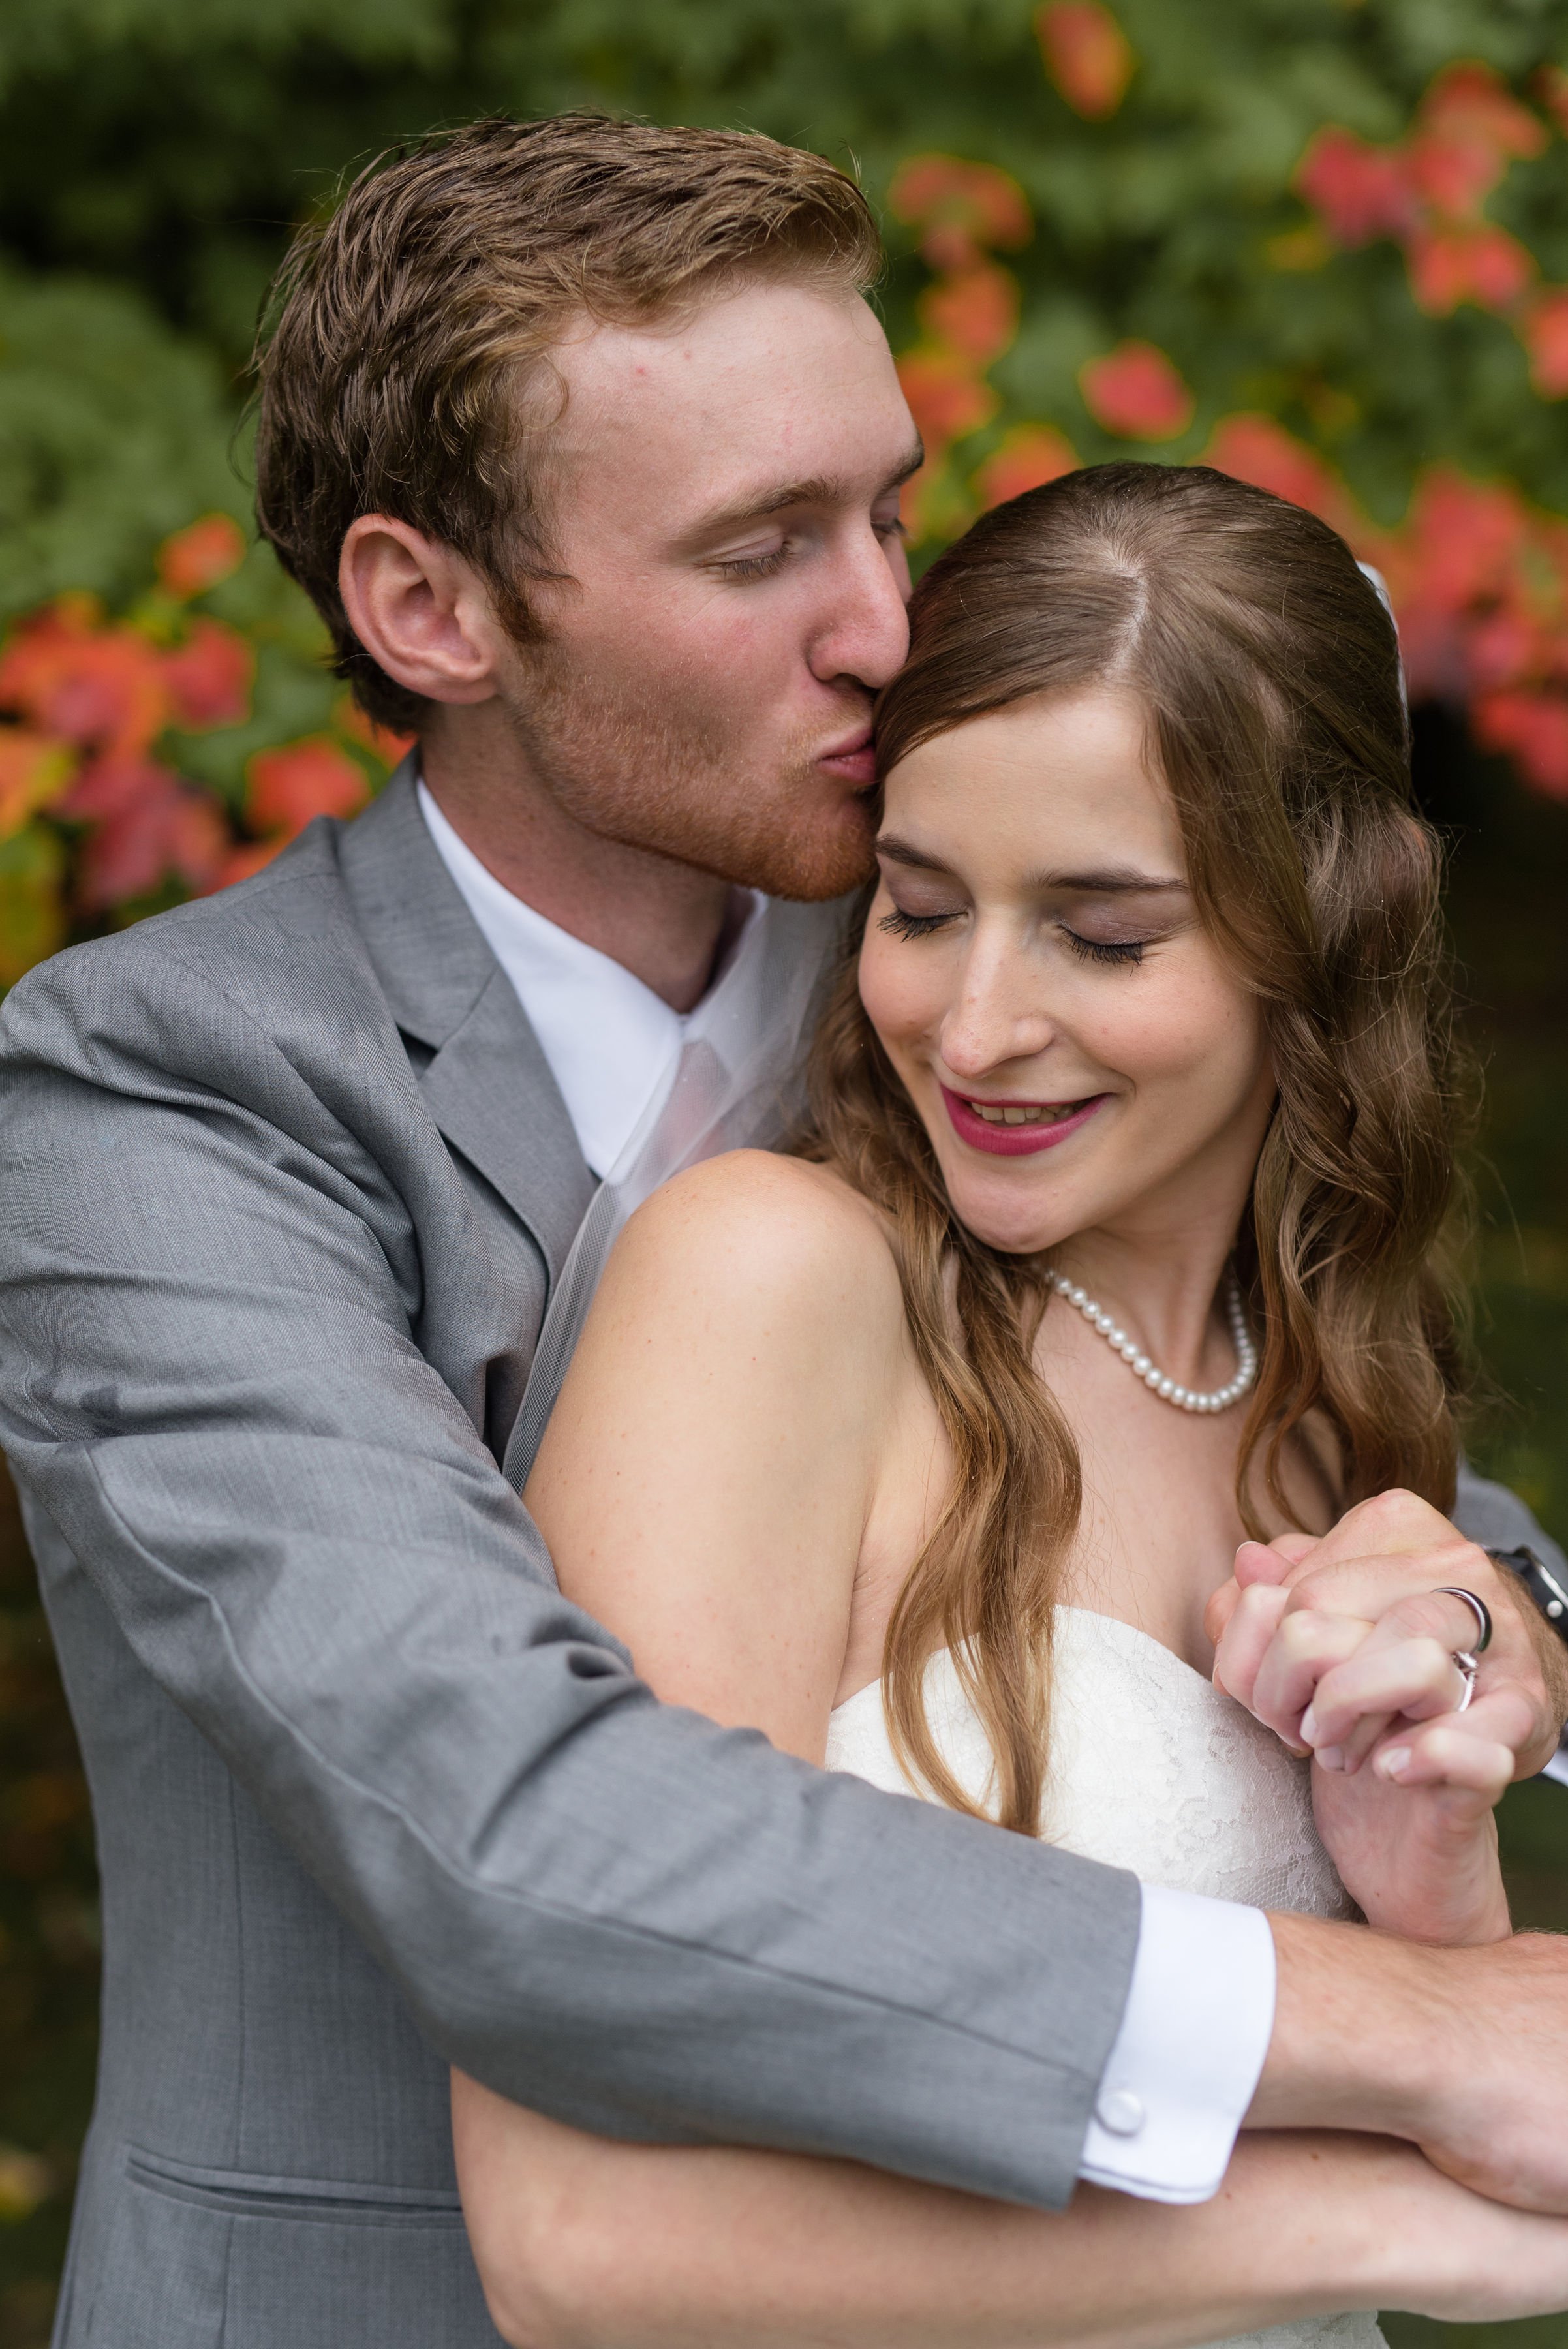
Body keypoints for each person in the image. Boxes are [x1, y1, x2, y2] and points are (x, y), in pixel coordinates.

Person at [0, 115, 1565, 2349]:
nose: (885, 625)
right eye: (760, 549)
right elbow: (533, 1830)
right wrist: (1431, 2057)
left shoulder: (967, 1003)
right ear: (428, 607)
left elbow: (1258, 1429)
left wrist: (1495, 1615)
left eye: (890, 510)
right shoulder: (165, 1090)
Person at [450, 461, 1561, 2346]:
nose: (969, 1028)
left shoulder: (1324, 1398)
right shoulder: (773, 1288)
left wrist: (1423, 1864)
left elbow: (1473, 2085)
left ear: (1322, 932)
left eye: (1098, 935)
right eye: (919, 904)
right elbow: (591, 2238)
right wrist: (1417, 2242)